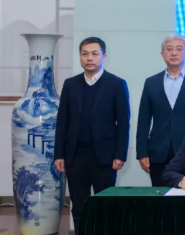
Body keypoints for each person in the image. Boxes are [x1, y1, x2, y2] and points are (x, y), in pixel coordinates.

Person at [54, 37, 130, 233]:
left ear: (103, 57)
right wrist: (59, 154)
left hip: (105, 157)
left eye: (95, 54)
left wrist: (120, 155)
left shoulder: (116, 84)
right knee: (79, 206)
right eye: (85, 54)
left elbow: (123, 123)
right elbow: (62, 121)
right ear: (80, 56)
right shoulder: (70, 84)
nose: (89, 58)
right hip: (75, 157)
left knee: (105, 206)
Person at [136, 33, 185, 186]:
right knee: (160, 194)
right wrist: (142, 153)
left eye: (179, 49)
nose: (174, 53)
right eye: (169, 49)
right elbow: (143, 120)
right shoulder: (151, 82)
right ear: (162, 53)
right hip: (158, 150)